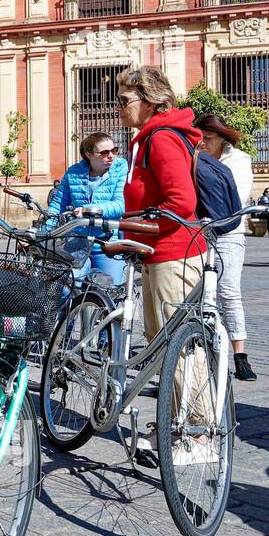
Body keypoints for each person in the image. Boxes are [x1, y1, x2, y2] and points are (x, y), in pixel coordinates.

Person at [118, 67, 213, 464]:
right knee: (166, 344)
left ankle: (197, 433)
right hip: (161, 253)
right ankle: (178, 422)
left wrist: (135, 228)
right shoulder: (149, 138)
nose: (120, 109)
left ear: (151, 101)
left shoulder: (159, 139)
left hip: (174, 253)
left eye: (125, 101)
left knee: (178, 347)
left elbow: (180, 204)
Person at [194, 115, 256, 380]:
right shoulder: (194, 156)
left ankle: (240, 356)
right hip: (197, 232)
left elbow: (237, 198)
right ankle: (198, 352)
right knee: (195, 294)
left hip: (229, 232)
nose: (203, 143)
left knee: (229, 292)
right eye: (200, 138)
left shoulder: (239, 160)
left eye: (208, 138)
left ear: (221, 136)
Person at [44, 131, 129, 285]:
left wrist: (89, 208)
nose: (111, 155)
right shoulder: (74, 172)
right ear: (89, 155)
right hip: (78, 242)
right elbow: (58, 205)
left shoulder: (120, 168)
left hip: (108, 244)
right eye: (104, 152)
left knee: (108, 293)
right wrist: (43, 233)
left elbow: (120, 204)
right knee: (65, 287)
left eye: (114, 150)